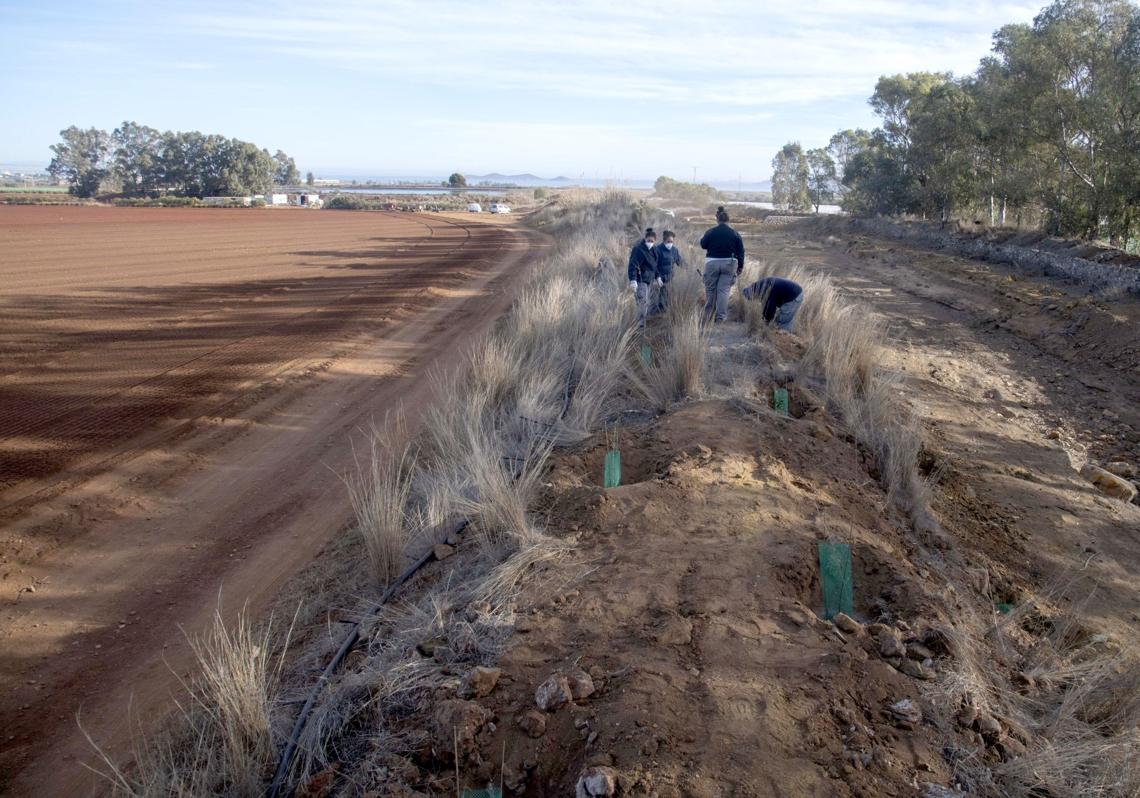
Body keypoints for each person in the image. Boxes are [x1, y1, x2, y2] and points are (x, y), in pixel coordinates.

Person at [698, 206, 745, 323]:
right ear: (728, 220)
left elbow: (703, 244)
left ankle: (708, 317)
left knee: (710, 290)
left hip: (712, 262)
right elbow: (741, 251)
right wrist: (740, 267)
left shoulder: (711, 231)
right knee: (723, 291)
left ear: (717, 220)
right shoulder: (735, 234)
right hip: (729, 263)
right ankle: (720, 318)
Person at [628, 227, 659, 328]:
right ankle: (640, 326)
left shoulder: (654, 250)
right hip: (640, 280)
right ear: (645, 239)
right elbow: (633, 265)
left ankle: (642, 324)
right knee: (642, 302)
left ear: (655, 241)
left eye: (652, 241)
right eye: (648, 240)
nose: (650, 242)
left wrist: (658, 276)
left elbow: (655, 265)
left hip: (649, 280)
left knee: (646, 303)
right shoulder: (638, 249)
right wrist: (633, 280)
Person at [650, 230, 684, 314]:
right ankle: (651, 319)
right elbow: (653, 265)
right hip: (658, 280)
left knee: (665, 301)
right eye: (668, 241)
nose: (670, 243)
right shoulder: (657, 250)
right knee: (655, 301)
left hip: (669, 280)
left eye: (672, 241)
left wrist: (689, 268)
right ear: (664, 240)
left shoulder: (674, 250)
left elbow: (679, 261)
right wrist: (656, 278)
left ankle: (662, 317)